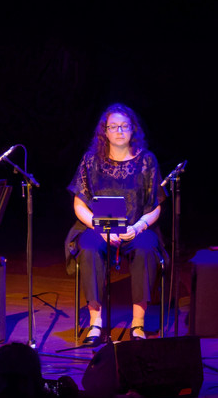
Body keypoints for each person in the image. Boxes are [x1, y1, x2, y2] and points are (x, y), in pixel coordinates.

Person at [65, 104, 165, 343]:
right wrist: (100, 227)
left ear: (133, 130)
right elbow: (79, 205)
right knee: (88, 248)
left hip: (135, 228)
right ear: (105, 132)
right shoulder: (91, 161)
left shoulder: (146, 161)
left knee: (146, 248)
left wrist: (138, 227)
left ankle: (138, 324)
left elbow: (156, 206)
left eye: (124, 126)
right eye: (113, 127)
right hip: (97, 228)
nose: (119, 131)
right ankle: (95, 323)